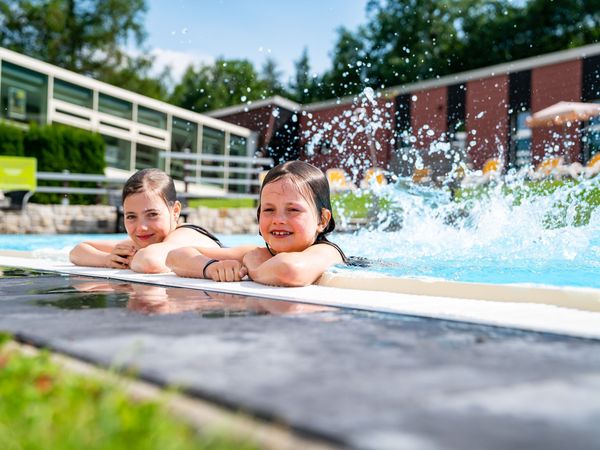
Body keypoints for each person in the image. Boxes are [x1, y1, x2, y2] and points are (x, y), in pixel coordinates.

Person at [166, 160, 347, 286]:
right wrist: (211, 268)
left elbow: (290, 271)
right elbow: (174, 256)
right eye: (269, 210)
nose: (278, 220)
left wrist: (254, 269)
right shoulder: (256, 253)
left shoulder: (327, 251)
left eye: (293, 210)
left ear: (322, 220)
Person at [69, 168, 222, 273]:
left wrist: (129, 260)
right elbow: (78, 251)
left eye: (152, 214)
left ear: (175, 211)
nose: (141, 227)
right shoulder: (149, 242)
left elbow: (149, 261)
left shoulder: (184, 235)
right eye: (131, 217)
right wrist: (108, 260)